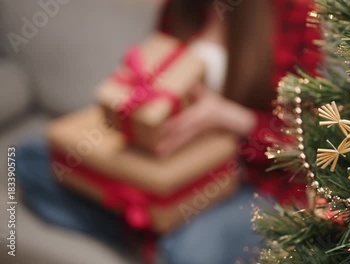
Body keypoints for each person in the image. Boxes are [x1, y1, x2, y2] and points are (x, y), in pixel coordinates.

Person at [17, 0, 321, 263]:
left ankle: (146, 231)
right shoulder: (180, 8)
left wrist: (232, 118)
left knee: (192, 254)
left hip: (251, 178)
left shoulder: (295, 13)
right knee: (30, 158)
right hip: (171, 165)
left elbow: (308, 144)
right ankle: (154, 231)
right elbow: (153, 76)